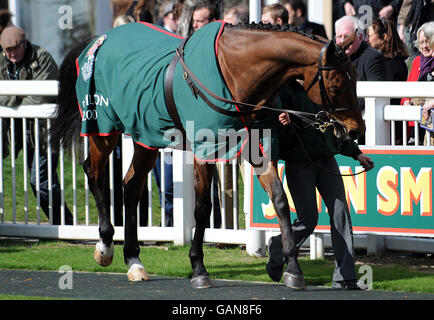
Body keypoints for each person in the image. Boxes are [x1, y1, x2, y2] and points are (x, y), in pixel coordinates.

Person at [267, 81, 375, 290]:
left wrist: (357, 153)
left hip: (327, 161)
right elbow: (276, 131)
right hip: (299, 163)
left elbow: (334, 129)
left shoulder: (322, 89)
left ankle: (344, 277)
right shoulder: (284, 90)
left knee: (340, 213)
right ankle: (278, 247)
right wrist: (285, 123)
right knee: (308, 220)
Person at [0, 26, 73, 225]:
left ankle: (64, 225)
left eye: (15, 48)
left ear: (24, 43)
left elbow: (40, 97)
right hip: (21, 130)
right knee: (39, 182)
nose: (12, 54)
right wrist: (19, 95)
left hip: (46, 129)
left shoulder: (42, 58)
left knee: (40, 180)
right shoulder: (2, 61)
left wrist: (11, 98)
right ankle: (62, 224)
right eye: (8, 50)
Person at [367, 17, 409, 144]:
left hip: (392, 127)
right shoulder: (392, 61)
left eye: (370, 36)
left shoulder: (391, 64)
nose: (367, 39)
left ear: (384, 37)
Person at [401, 22, 434, 144]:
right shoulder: (417, 61)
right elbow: (408, 89)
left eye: (427, 41)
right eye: (421, 42)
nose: (424, 46)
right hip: (418, 122)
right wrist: (406, 101)